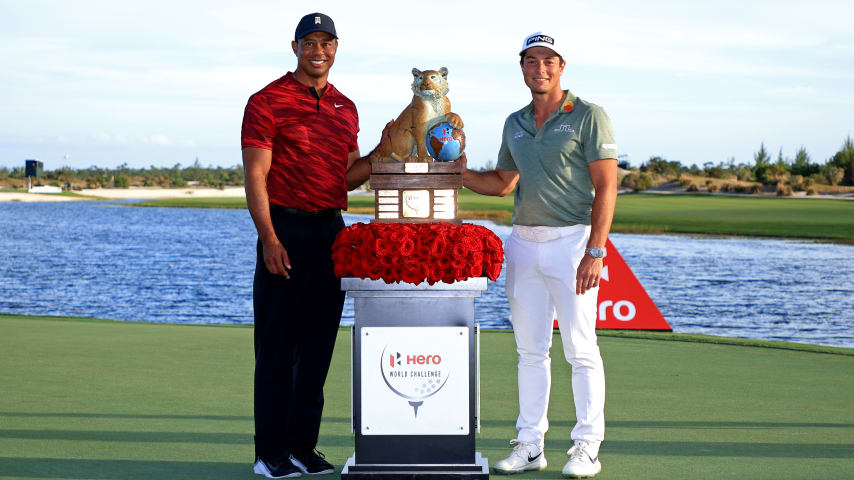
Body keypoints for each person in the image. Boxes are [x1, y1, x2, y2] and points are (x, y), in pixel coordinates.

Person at [462, 32, 618, 478]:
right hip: (524, 243)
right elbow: (503, 182)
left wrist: (596, 250)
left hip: (573, 243)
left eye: (548, 61)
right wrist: (457, 173)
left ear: (562, 65)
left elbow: (607, 186)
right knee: (530, 352)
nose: (540, 69)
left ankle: (587, 446)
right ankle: (530, 444)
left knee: (581, 350)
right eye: (532, 61)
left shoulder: (588, 116)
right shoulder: (515, 122)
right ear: (523, 68)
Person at [241, 12, 369, 478]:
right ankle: (269, 453)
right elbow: (255, 176)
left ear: (336, 48)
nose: (319, 51)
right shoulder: (267, 101)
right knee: (277, 349)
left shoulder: (346, 107)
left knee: (317, 348)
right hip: (285, 231)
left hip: (329, 233)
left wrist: (381, 153)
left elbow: (349, 177)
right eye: (309, 42)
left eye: (327, 42)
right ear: (295, 48)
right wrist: (269, 237)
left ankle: (302, 448)